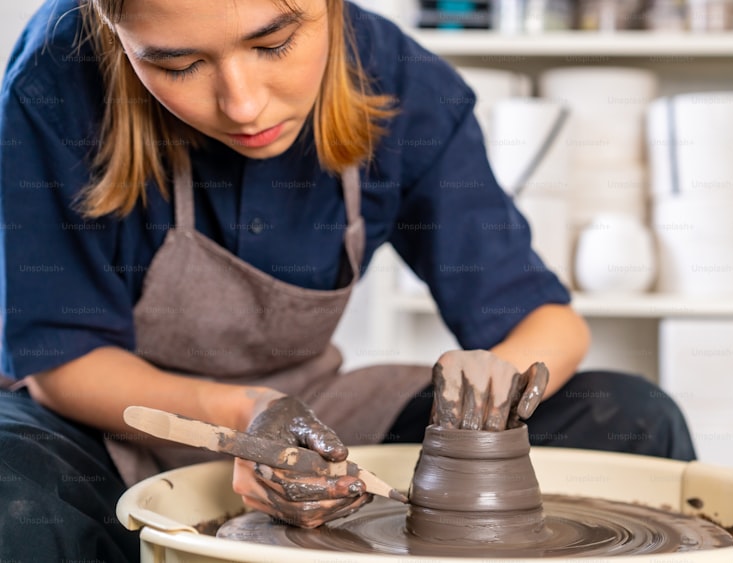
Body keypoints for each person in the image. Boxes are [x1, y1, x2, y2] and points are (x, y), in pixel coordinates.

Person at [0, 0, 696, 560]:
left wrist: (488, 397)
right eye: (179, 63)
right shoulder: (59, 74)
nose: (242, 104)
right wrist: (243, 414)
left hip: (308, 410)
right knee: (12, 500)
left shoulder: (399, 83)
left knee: (631, 417)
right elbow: (60, 362)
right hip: (94, 417)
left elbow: (547, 321)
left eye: (273, 43)